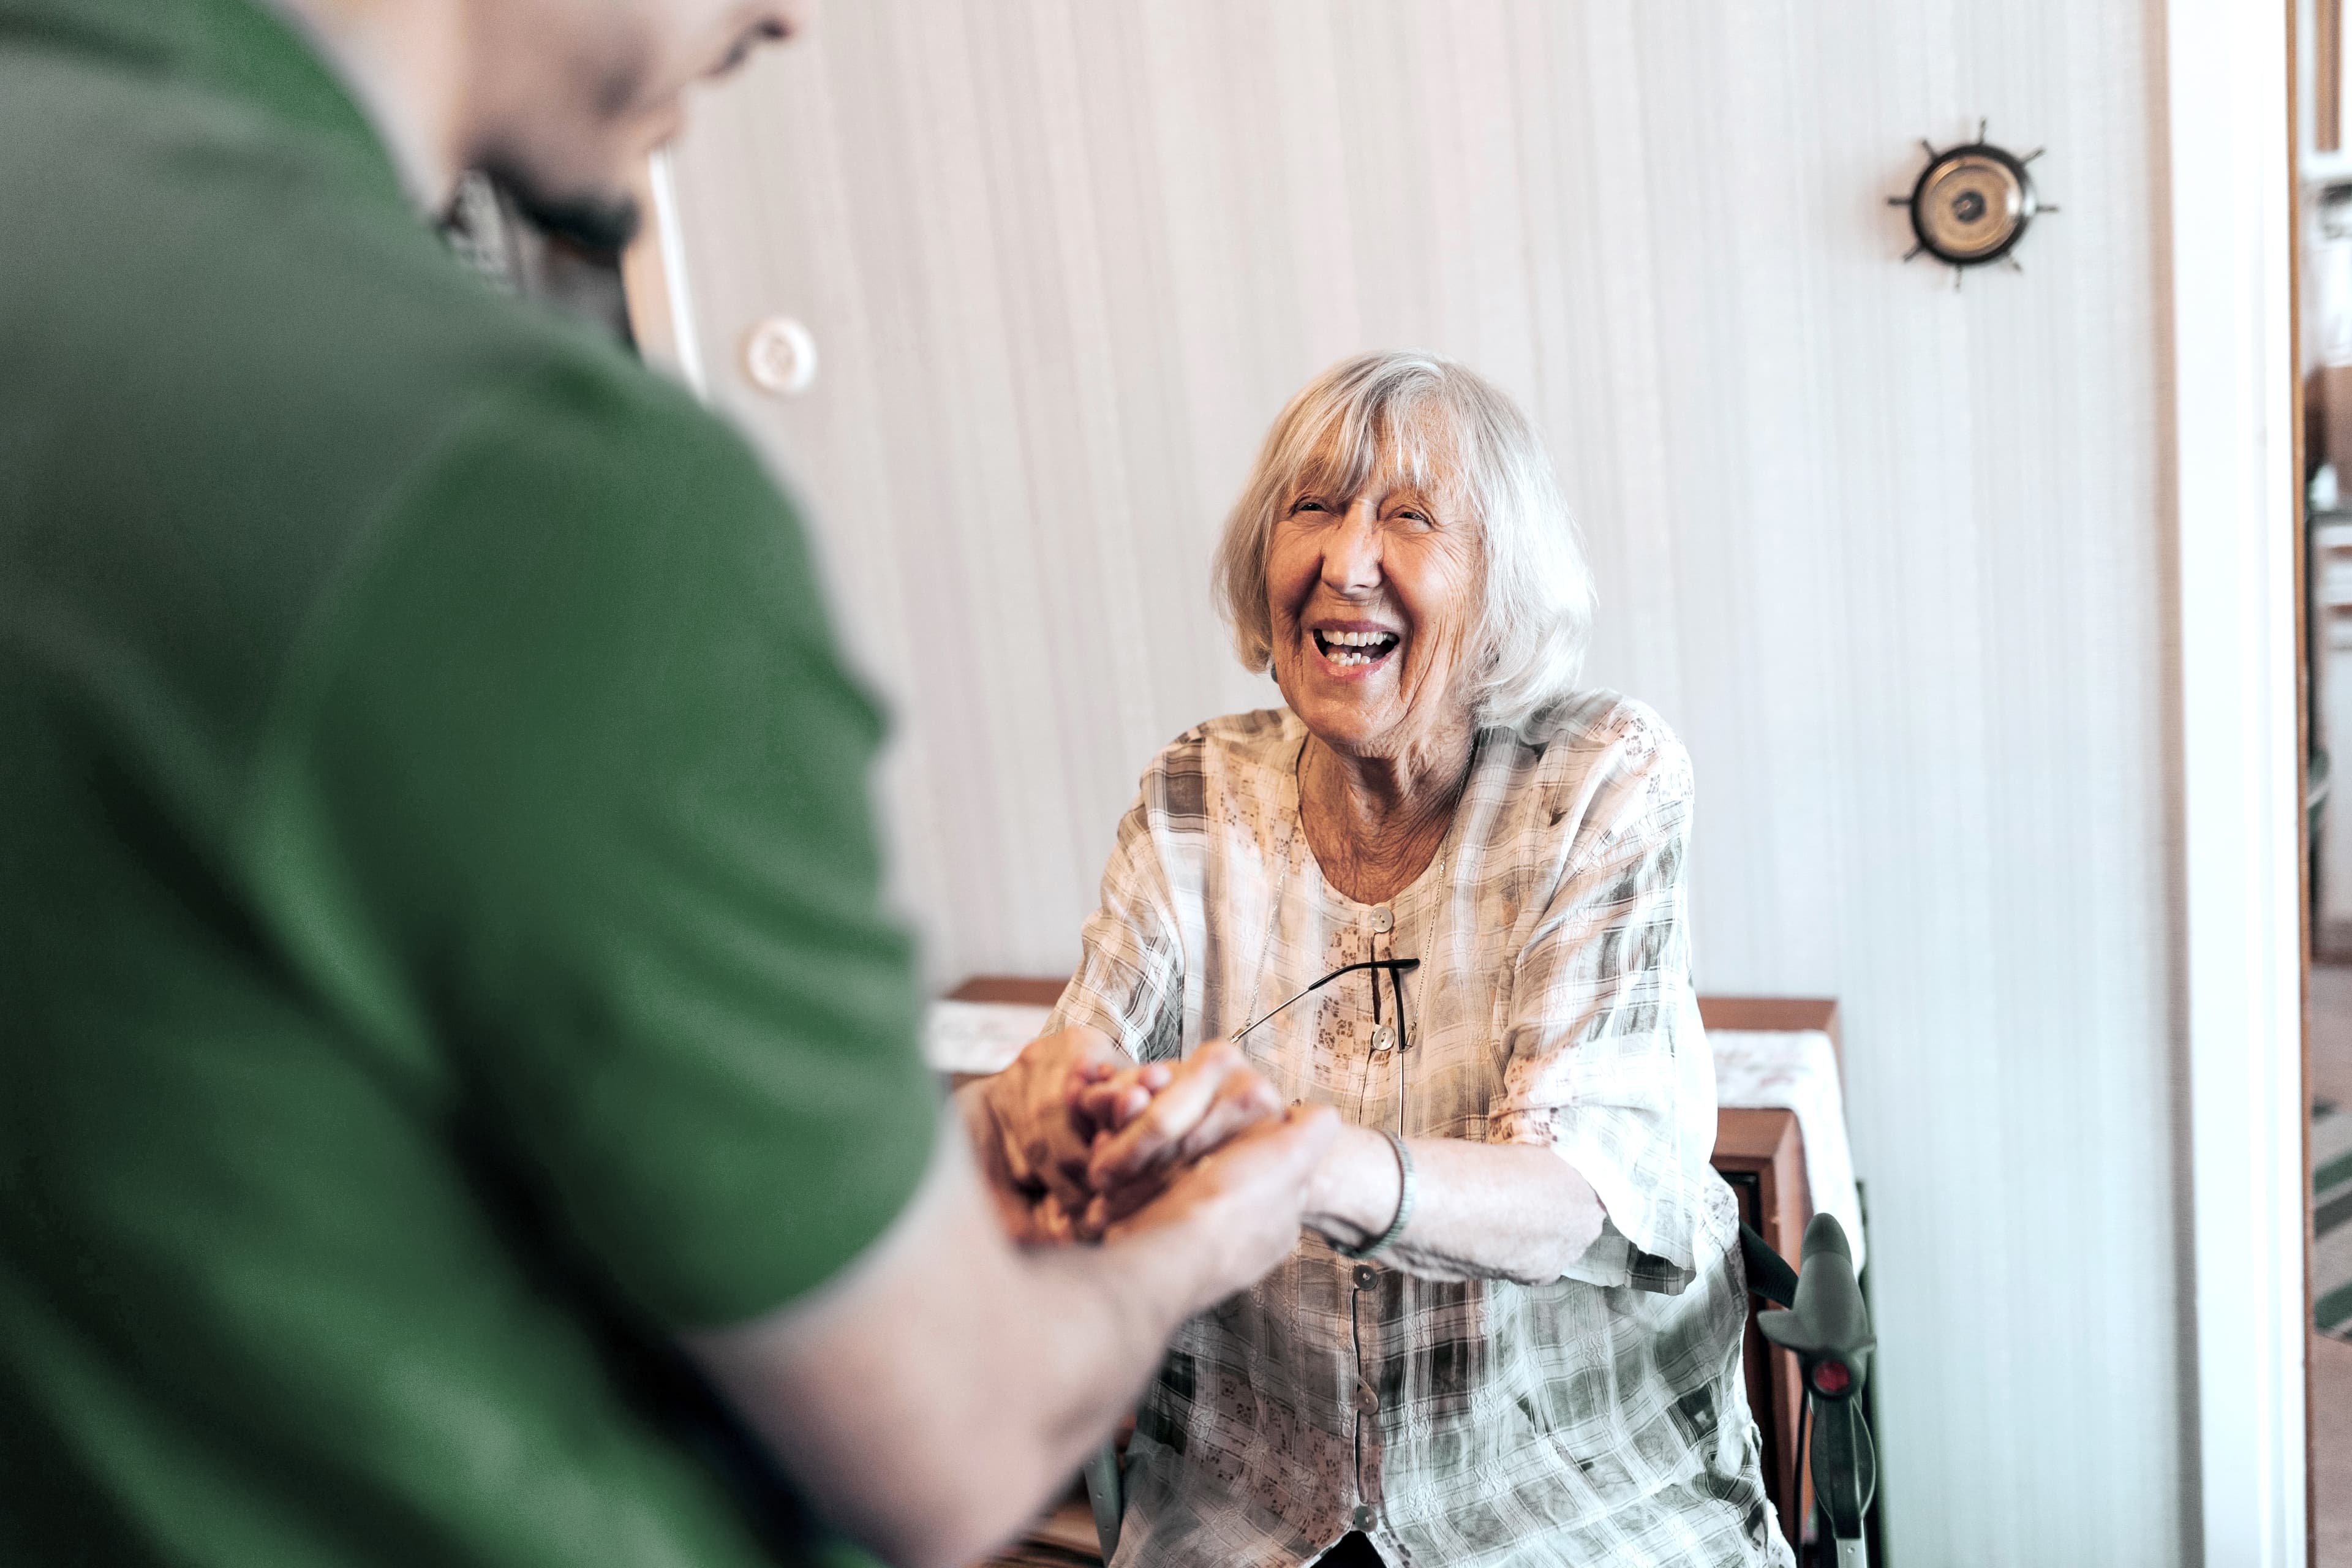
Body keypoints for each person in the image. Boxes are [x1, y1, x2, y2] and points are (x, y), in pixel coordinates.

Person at [0, 2, 1337, 1566]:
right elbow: (956, 1442)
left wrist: (896, 1181)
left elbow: (245, 1123)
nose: (784, 15)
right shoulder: (543, 493)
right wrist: (1213, 1234)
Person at [979, 353, 1790, 1567]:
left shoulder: (1597, 779)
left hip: (1575, 1511)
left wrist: (1314, 1167)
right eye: (1313, 508)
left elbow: (1572, 1195)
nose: (1345, 559)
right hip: (1246, 1515)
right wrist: (1041, 1104)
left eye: (1409, 517)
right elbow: (1080, 1054)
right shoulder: (1201, 789)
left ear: (1503, 590)